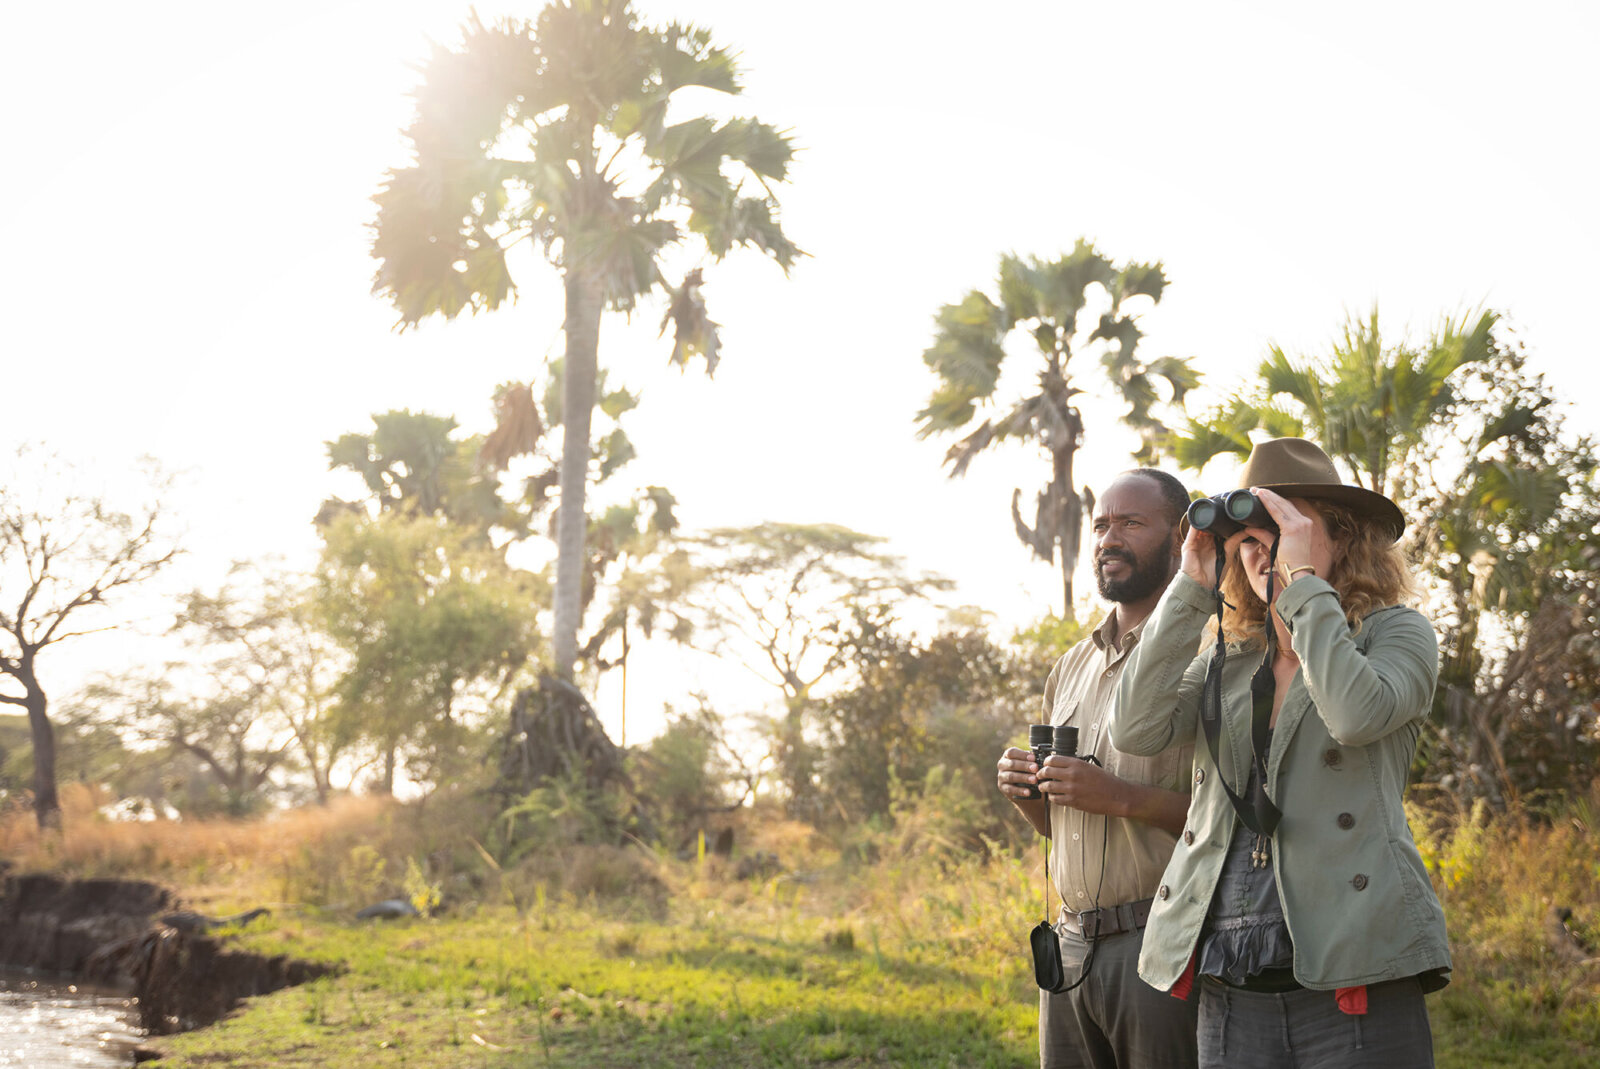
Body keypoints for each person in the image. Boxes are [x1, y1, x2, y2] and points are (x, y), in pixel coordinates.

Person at [1110, 438, 1450, 1069]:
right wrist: (1189, 588)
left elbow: (1354, 713)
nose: (1260, 546)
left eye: (1284, 528)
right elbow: (1132, 729)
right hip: (1232, 980)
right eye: (1246, 537)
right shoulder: (1230, 661)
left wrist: (1300, 587)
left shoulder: (1395, 634)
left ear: (1343, 539)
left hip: (1357, 971)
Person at [997, 469, 1200, 1069]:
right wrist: (1027, 793)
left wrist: (1122, 797)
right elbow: (1056, 827)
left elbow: (1237, 822)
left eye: (1132, 523)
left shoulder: (1215, 651)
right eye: (1102, 525)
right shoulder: (1070, 666)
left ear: (1182, 536)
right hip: (1068, 946)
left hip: (1162, 943)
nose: (1110, 538)